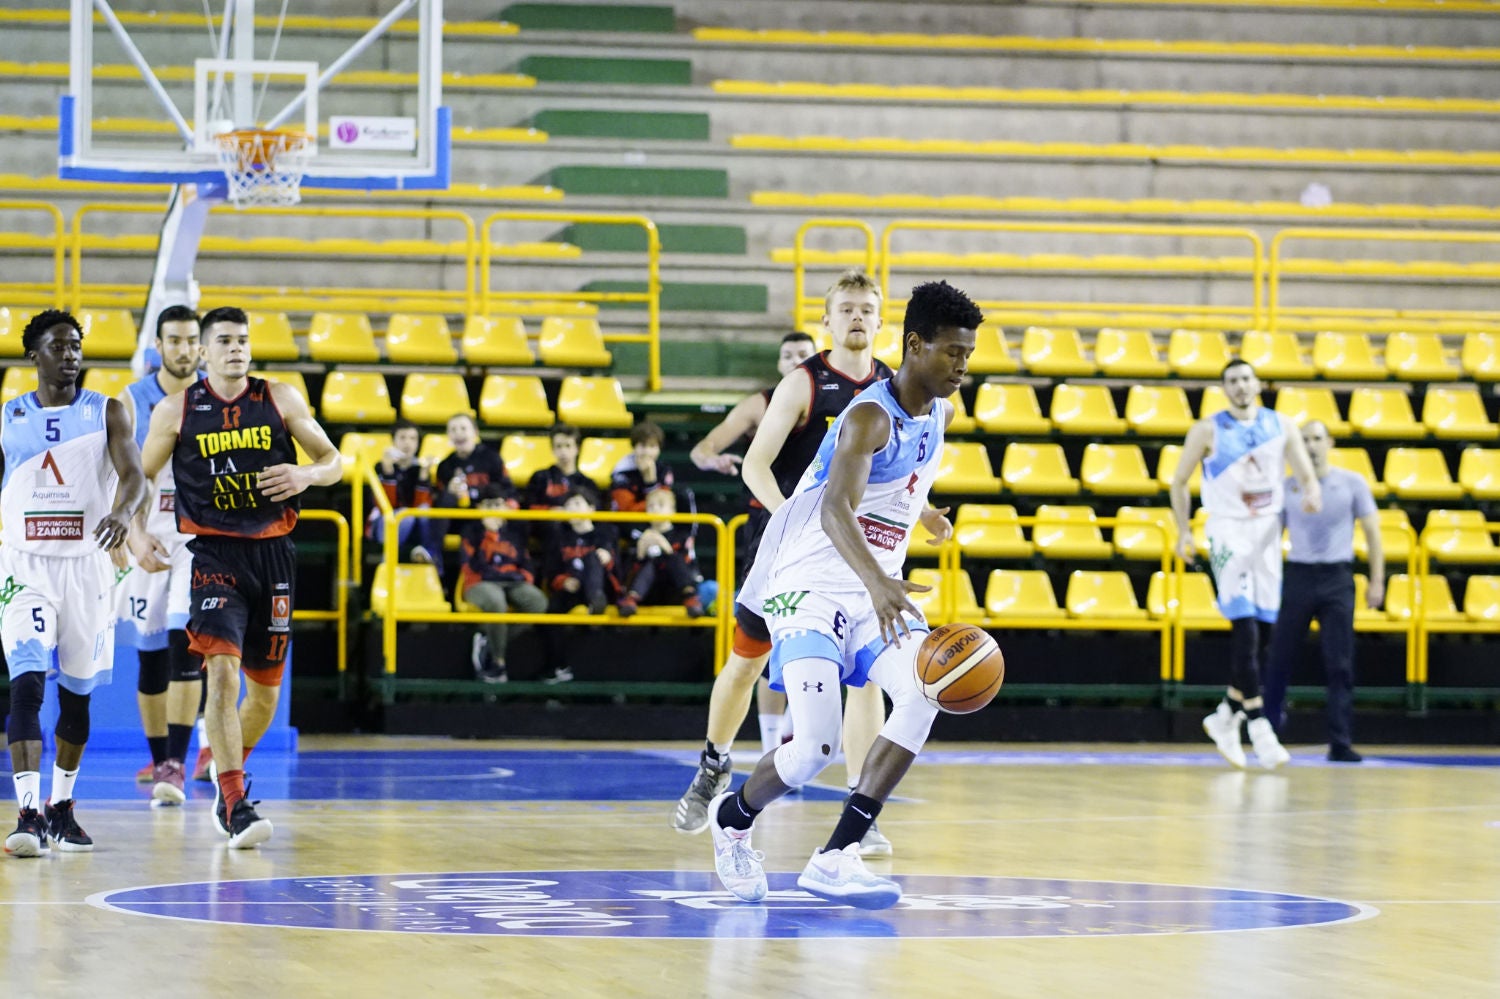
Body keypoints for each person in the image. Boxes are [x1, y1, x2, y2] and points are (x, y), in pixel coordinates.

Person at [706, 279, 979, 909]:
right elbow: (836, 508)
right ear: (913, 346)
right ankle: (733, 817)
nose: (961, 365)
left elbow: (897, 485)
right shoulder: (866, 417)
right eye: (951, 352)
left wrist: (926, 516)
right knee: (816, 747)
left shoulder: (940, 411)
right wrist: (880, 579)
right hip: (808, 582)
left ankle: (837, 855)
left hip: (871, 586)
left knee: (927, 688)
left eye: (968, 354)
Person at [673, 270, 912, 862]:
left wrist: (925, 511)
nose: (857, 317)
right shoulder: (804, 384)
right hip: (785, 549)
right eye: (846, 309)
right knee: (743, 665)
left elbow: (890, 473)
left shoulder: (892, 389)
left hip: (854, 557)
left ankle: (862, 802)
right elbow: (755, 466)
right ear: (826, 321)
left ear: (881, 322)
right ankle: (714, 762)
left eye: (867, 309)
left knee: (863, 674)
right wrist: (796, 524)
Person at [134, 305, 342, 849]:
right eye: (224, 340)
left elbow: (333, 459)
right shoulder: (178, 410)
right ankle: (234, 803)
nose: (236, 348)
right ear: (203, 351)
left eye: (243, 340)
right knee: (221, 677)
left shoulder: (280, 398)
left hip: (273, 555)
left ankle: (220, 763)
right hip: (214, 556)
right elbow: (140, 476)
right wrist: (136, 532)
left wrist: (306, 473)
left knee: (264, 698)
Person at [4, 309, 148, 857]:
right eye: (58, 346)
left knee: (76, 695)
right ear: (33, 356)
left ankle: (62, 807)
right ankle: (27, 812)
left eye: (76, 345)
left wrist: (122, 511)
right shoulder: (9, 415)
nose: (70, 355)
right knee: (27, 682)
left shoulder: (106, 411)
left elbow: (133, 474)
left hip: (86, 567)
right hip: (25, 566)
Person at [1171, 359, 1321, 771]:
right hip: (1227, 531)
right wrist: (1184, 531)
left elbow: (1307, 476)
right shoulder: (1207, 429)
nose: (1240, 386)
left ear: (1257, 384)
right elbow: (1179, 481)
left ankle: (1224, 716)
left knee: (1266, 633)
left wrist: (1311, 493)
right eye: (1232, 381)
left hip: (1269, 534)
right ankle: (1258, 724)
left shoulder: (1282, 425)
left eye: (1245, 379)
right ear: (1224, 388)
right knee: (1245, 629)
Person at [690, 331, 817, 755]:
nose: (795, 359)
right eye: (788, 354)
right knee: (763, 642)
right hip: (771, 526)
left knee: (816, 637)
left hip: (829, 527)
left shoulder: (844, 399)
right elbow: (703, 447)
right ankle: (769, 747)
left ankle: (799, 735)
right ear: (780, 364)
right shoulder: (761, 403)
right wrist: (712, 456)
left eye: (803, 353)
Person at [118, 305, 206, 806]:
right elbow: (123, 473)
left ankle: (178, 758)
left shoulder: (212, 397)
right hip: (147, 534)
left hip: (195, 538)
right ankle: (159, 759)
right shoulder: (132, 399)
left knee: (184, 645)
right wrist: (130, 535)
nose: (183, 348)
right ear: (158, 344)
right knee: (150, 659)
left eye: (191, 339)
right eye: (173, 340)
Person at [1263, 419, 1384, 763]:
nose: (1311, 445)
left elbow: (1373, 533)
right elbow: (1271, 536)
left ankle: (1340, 741)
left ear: (1329, 442)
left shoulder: (1352, 483)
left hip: (1337, 577)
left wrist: (1377, 580)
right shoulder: (1287, 486)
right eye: (1304, 440)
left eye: (1317, 438)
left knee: (1340, 663)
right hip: (1298, 574)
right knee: (1279, 658)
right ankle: (1268, 733)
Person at [459, 484, 548, 682]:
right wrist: (488, 533)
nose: (494, 508)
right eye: (489, 504)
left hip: (511, 581)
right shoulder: (471, 530)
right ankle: (498, 663)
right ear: (479, 508)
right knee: (496, 602)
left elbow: (525, 563)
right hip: (480, 582)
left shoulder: (515, 531)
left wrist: (523, 576)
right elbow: (473, 566)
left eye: (499, 504)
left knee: (538, 602)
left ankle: (488, 642)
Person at [416, 412, 512, 566]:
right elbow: (439, 501)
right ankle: (433, 554)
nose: (458, 433)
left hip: (486, 516)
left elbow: (505, 490)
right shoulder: (445, 466)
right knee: (446, 497)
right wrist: (449, 490)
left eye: (463, 428)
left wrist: (474, 492)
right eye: (453, 430)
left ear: (475, 432)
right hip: (457, 518)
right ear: (448, 435)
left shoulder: (492, 458)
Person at [617, 488, 705, 618]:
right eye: (651, 506)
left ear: (672, 510)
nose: (655, 510)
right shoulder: (639, 537)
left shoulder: (682, 536)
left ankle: (690, 597)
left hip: (675, 588)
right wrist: (640, 554)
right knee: (651, 563)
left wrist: (666, 548)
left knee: (673, 558)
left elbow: (689, 565)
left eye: (661, 505)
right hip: (647, 591)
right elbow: (629, 572)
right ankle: (631, 599)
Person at [542, 485, 617, 618]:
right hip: (573, 588)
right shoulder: (560, 538)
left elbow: (616, 570)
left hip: (602, 587)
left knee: (592, 557)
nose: (572, 509)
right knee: (551, 611)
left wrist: (607, 557)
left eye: (577, 503)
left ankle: (595, 599)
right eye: (568, 505)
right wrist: (564, 581)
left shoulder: (605, 533)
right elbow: (552, 570)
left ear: (591, 509)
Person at [368, 418, 435, 561]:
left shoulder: (420, 469)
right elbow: (386, 506)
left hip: (413, 524)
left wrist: (423, 477)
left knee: (423, 511)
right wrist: (388, 472)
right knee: (406, 516)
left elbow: (420, 507)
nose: (407, 443)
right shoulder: (380, 467)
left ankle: (428, 554)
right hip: (384, 523)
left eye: (413, 438)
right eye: (402, 438)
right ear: (393, 441)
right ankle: (388, 561)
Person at [523, 423, 592, 510]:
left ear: (577, 449)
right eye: (559, 446)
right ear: (552, 449)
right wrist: (551, 511)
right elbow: (528, 507)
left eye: (568, 446)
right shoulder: (540, 478)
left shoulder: (587, 483)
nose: (563, 451)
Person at [610, 420, 673, 513]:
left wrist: (650, 482)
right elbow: (627, 509)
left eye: (652, 446)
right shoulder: (622, 471)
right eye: (643, 446)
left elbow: (665, 503)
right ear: (634, 447)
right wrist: (651, 487)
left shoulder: (663, 469)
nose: (647, 452)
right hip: (626, 522)